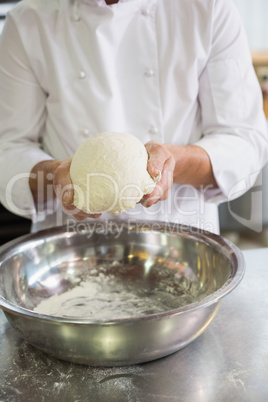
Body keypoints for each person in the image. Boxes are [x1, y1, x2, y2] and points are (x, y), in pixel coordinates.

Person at [0, 0, 267, 235]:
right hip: (67, 246)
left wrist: (174, 163)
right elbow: (8, 149)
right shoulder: (28, 20)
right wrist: (54, 175)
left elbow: (244, 139)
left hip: (181, 240)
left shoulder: (208, 8)